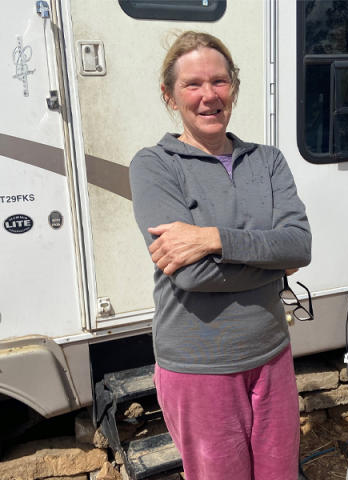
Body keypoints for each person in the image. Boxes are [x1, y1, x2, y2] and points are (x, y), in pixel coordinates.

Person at [128, 32, 311, 479]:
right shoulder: (155, 164)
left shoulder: (267, 160)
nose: (209, 95)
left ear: (234, 86)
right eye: (193, 84)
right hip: (198, 367)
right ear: (169, 95)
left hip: (271, 354)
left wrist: (212, 238)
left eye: (220, 81)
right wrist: (272, 264)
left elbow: (299, 245)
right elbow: (190, 276)